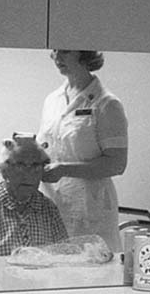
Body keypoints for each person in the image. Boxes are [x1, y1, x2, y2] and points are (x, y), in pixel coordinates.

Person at [37, 49, 128, 255]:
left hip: (89, 207)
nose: (58, 57)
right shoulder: (52, 100)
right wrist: (22, 150)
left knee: (89, 267)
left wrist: (64, 169)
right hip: (53, 203)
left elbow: (117, 164)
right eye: (55, 50)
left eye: (65, 51)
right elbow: (48, 146)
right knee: (53, 265)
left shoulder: (107, 104)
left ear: (85, 54)